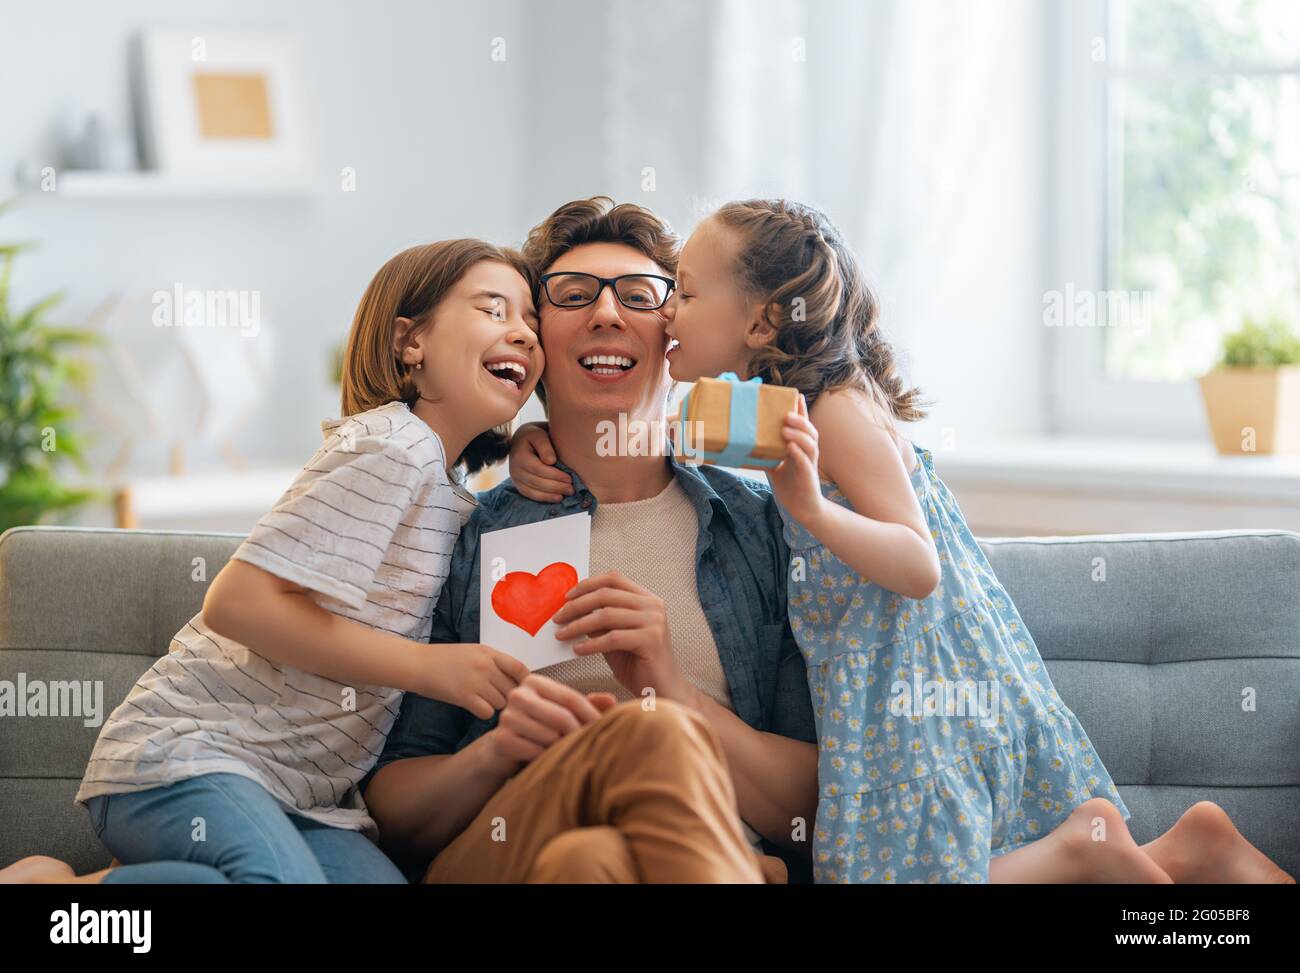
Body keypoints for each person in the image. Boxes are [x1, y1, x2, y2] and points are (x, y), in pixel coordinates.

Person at [513, 197, 1296, 885]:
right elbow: (651, 441)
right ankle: (1178, 850)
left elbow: (917, 563)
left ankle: (1087, 855)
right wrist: (526, 443)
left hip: (910, 668)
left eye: (680, 294)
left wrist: (813, 513)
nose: (668, 317)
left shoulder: (833, 412)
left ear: (758, 321)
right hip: (884, 667)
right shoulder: (786, 410)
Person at [2, 239, 538, 884]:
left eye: (532, 321)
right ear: (409, 343)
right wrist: (427, 667)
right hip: (190, 759)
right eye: (494, 309)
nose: (524, 334)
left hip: (303, 797)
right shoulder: (394, 447)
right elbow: (237, 602)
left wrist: (536, 442)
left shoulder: (446, 492)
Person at [363, 197, 820, 883]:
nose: (606, 314)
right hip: (502, 845)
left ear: (675, 335)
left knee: (589, 860)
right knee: (649, 735)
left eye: (639, 297)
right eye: (574, 296)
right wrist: (495, 753)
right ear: (534, 339)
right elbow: (392, 810)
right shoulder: (464, 532)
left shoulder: (761, 528)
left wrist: (672, 689)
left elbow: (816, 809)